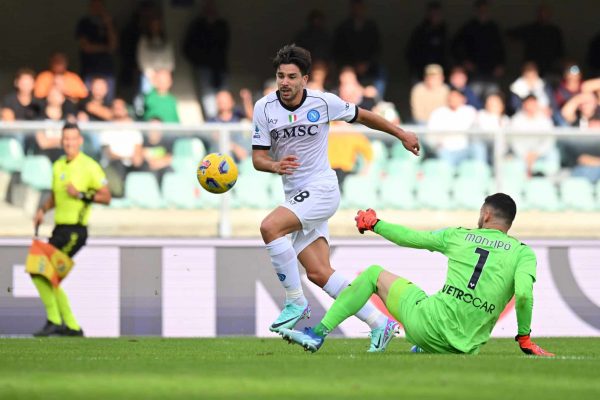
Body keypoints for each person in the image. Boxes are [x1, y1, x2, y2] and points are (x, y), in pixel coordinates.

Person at [251, 44, 419, 352]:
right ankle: (380, 324)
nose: (285, 82)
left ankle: (295, 302)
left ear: (305, 78)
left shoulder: (323, 102)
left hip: (322, 189)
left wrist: (401, 134)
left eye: (291, 76)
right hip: (296, 195)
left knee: (270, 227)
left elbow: (364, 116)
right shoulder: (264, 108)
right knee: (318, 272)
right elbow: (257, 158)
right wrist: (275, 165)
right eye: (280, 76)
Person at [280, 193, 555, 357]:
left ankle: (318, 332)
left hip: (426, 326)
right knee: (438, 301)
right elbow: (523, 295)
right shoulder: (523, 253)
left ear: (485, 215)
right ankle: (425, 348)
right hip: (465, 347)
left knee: (374, 274)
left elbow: (410, 237)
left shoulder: (459, 236)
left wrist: (375, 223)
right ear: (509, 222)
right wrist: (524, 337)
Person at [31, 122, 111, 336]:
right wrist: (42, 209)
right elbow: (56, 196)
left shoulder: (90, 166)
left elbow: (106, 196)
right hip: (59, 228)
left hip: (76, 230)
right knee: (38, 271)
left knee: (47, 271)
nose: (69, 142)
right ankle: (67, 325)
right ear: (61, 140)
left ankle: (61, 322)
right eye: (65, 138)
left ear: (80, 141)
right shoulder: (58, 166)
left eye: (73, 138)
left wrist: (81, 194)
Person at [75, 0, 118, 101]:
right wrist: (105, 48)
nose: (97, 8)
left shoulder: (110, 22)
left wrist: (108, 24)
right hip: (89, 69)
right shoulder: (84, 23)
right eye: (94, 5)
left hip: (107, 70)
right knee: (88, 101)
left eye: (99, 6)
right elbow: (86, 47)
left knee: (108, 101)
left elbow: (114, 46)